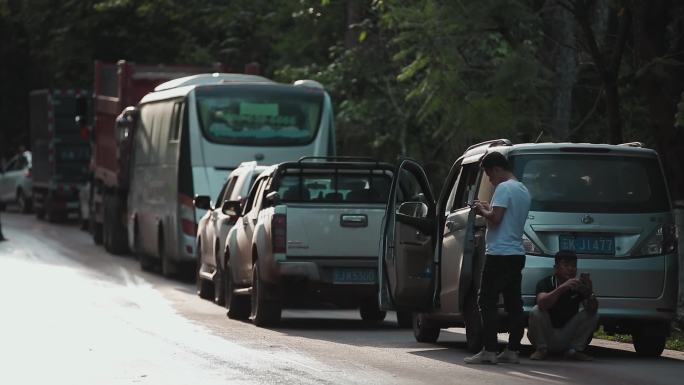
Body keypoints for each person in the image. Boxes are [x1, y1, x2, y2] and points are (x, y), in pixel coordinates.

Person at [464, 151, 531, 365]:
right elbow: (505, 217)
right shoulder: (522, 189)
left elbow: (496, 218)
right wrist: (488, 208)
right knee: (514, 303)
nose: (490, 180)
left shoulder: (503, 188)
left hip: (499, 253)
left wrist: (481, 211)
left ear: (496, 169)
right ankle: (512, 349)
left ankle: (490, 349)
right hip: (516, 253)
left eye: (489, 175)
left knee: (486, 300)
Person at [528, 250, 599, 361]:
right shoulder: (546, 283)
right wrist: (562, 288)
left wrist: (589, 292)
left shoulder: (578, 286)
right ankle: (541, 349)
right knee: (536, 311)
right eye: (566, 265)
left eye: (574, 266)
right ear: (556, 268)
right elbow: (541, 304)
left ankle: (574, 351)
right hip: (547, 334)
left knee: (592, 315)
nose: (570, 269)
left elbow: (592, 310)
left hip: (566, 334)